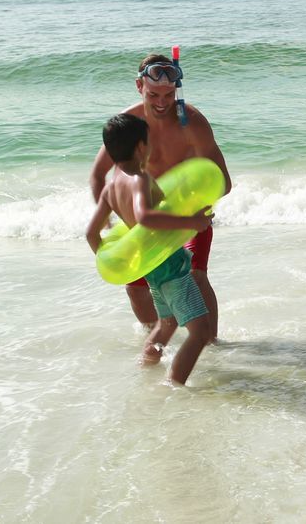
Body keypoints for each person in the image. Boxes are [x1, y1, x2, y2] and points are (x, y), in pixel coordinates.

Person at [90, 52, 231, 333]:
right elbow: (97, 175)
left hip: (185, 213)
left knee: (196, 275)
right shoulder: (128, 125)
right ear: (140, 86)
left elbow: (223, 181)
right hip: (147, 218)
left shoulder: (192, 123)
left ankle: (211, 345)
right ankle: (156, 343)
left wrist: (195, 211)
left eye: (168, 94)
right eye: (154, 94)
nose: (162, 102)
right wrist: (106, 219)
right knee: (135, 287)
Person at [86, 114, 215, 385]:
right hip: (168, 264)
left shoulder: (110, 189)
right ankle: (174, 385)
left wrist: (115, 259)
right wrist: (193, 222)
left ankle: (145, 368)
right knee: (200, 332)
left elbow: (91, 233)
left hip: (150, 267)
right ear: (141, 147)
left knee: (166, 323)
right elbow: (145, 216)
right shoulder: (139, 179)